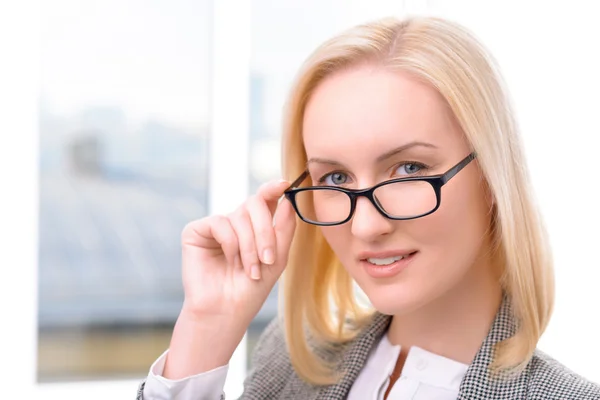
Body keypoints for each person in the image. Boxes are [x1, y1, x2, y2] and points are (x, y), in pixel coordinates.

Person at [137, 15, 600, 400]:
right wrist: (206, 330)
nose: (365, 225)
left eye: (408, 169)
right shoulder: (293, 363)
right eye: (335, 178)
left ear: (492, 176)